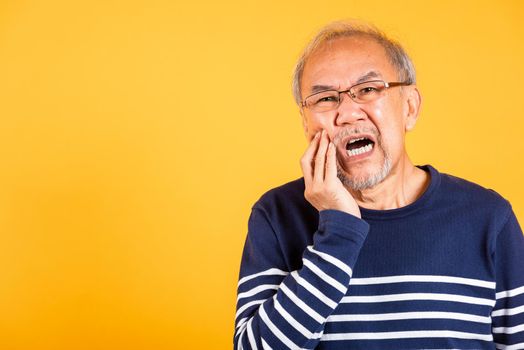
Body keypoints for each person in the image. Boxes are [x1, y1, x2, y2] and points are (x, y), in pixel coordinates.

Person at [234, 20, 524, 350]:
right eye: (326, 98)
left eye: (369, 90)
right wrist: (338, 235)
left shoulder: (489, 219)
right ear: (305, 122)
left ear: (410, 107)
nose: (347, 112)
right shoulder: (277, 215)